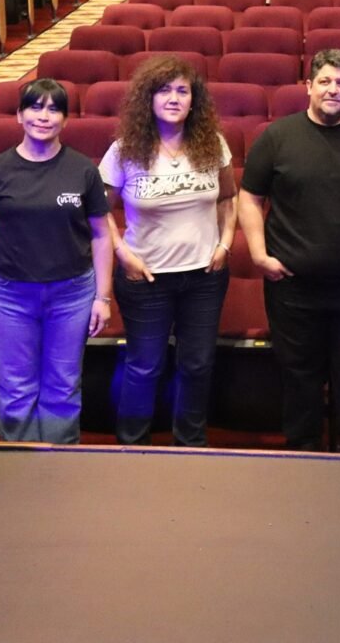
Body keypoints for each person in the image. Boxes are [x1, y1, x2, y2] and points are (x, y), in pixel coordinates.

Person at [238, 49, 340, 453]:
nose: (333, 90)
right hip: (292, 287)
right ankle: (303, 457)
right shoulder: (276, 137)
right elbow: (250, 197)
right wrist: (258, 254)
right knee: (299, 376)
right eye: (324, 81)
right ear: (307, 87)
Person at [0, 78, 113, 443]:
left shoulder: (82, 171)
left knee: (63, 387)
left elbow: (102, 234)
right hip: (10, 296)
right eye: (35, 107)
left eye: (53, 109)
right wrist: (5, 263)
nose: (43, 117)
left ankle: (60, 469)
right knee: (16, 388)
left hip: (72, 294)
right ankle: (21, 469)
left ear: (64, 119)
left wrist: (102, 297)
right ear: (19, 115)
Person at [99, 56, 235, 448]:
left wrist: (225, 243)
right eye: (164, 90)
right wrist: (123, 253)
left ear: (194, 101)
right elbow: (99, 211)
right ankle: (133, 445)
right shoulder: (125, 150)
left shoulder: (213, 145)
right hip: (146, 278)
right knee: (144, 366)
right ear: (148, 98)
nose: (174, 98)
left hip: (205, 277)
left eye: (182, 91)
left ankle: (190, 443)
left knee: (197, 364)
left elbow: (229, 197)